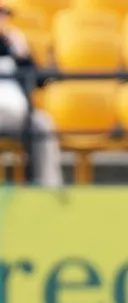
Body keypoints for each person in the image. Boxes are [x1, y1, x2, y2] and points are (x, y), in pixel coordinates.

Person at [0, 1, 62, 187]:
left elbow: (39, 81)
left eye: (4, 15)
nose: (3, 19)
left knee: (43, 125)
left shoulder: (15, 46)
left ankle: (48, 188)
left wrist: (24, 55)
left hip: (18, 114)